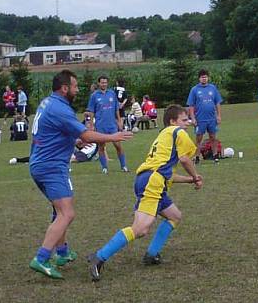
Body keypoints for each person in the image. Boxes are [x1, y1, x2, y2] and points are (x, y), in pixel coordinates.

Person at [28, 70, 134, 279]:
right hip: (52, 166)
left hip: (40, 163)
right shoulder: (60, 108)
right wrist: (113, 136)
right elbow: (86, 133)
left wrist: (74, 142)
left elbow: (53, 132)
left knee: (58, 211)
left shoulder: (48, 103)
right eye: (75, 86)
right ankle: (41, 259)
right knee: (67, 213)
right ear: (65, 88)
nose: (77, 90)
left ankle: (62, 252)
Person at [87, 104, 203, 281]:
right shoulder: (178, 132)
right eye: (184, 119)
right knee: (140, 229)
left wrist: (190, 180)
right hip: (153, 182)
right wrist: (195, 175)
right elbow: (185, 159)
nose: (188, 123)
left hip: (150, 179)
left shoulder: (163, 136)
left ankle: (152, 254)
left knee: (174, 216)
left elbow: (168, 173)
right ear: (173, 122)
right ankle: (99, 257)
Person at [85, 75, 129, 174]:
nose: (104, 84)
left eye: (105, 82)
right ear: (99, 83)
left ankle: (124, 166)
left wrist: (119, 121)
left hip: (112, 125)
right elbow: (91, 112)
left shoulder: (112, 94)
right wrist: (91, 125)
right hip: (101, 125)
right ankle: (104, 168)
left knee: (118, 145)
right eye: (102, 82)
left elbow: (116, 109)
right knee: (101, 147)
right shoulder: (94, 96)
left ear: (107, 83)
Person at [187, 69, 223, 163]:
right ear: (199, 78)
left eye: (206, 77)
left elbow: (217, 103)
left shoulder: (212, 88)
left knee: (213, 137)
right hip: (200, 119)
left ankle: (215, 155)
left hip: (211, 118)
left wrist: (218, 116)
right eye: (202, 77)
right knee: (199, 138)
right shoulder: (194, 90)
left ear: (208, 78)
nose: (204, 79)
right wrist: (193, 118)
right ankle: (197, 157)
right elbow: (191, 105)